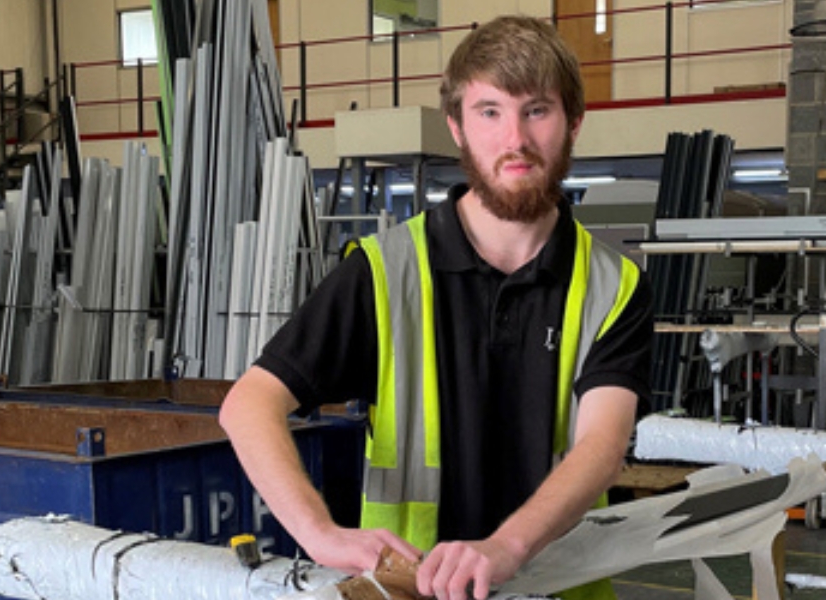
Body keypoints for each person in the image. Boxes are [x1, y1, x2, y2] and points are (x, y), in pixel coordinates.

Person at [218, 15, 652, 600]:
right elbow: (248, 405)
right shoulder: (381, 270)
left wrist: (505, 548)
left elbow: (600, 448)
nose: (515, 139)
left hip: (556, 591)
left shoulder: (614, 283)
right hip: (410, 588)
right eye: (490, 111)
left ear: (574, 122)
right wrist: (319, 534)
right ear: (457, 127)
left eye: (538, 110)